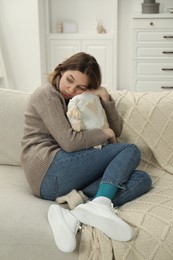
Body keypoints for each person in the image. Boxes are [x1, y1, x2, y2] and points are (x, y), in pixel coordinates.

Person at [21, 52, 152, 253]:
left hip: (64, 176)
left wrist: (104, 98)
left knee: (141, 179)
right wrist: (105, 133)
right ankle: (99, 206)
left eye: (80, 87)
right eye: (69, 80)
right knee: (130, 150)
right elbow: (70, 143)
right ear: (61, 70)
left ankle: (74, 215)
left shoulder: (79, 101)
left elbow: (115, 131)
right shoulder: (47, 94)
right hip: (48, 170)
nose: (71, 90)